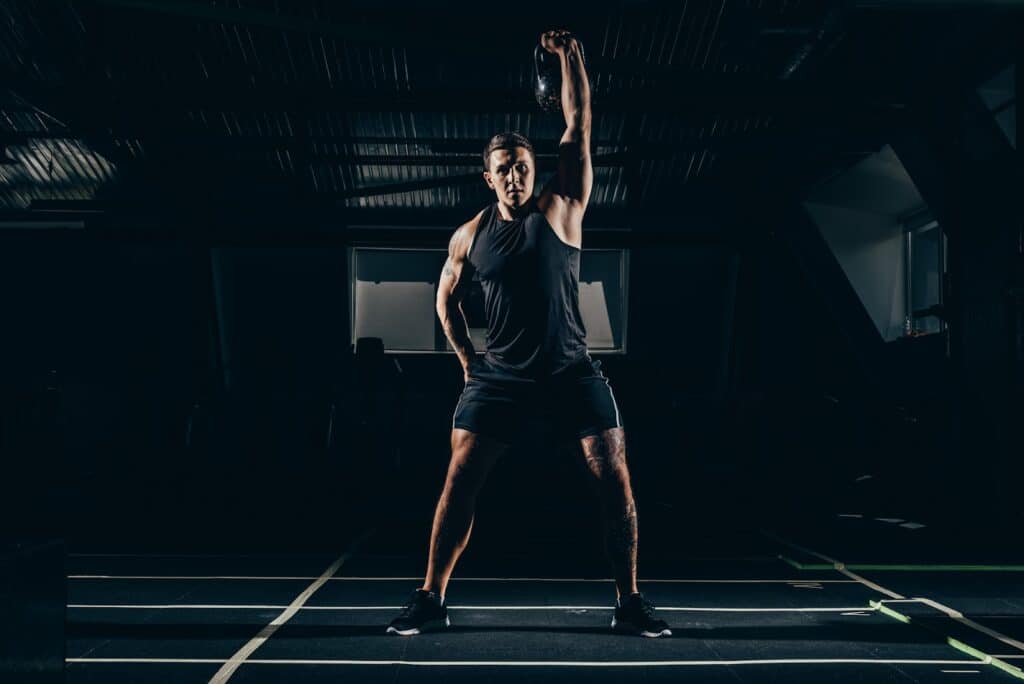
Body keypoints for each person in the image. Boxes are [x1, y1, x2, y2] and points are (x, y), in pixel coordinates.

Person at [386, 29, 670, 638]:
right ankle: (430, 599)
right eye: (502, 171)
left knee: (613, 469)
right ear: (487, 178)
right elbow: (445, 299)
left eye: (521, 167)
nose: (513, 177)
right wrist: (467, 360)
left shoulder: (562, 205)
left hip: (570, 369)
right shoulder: (469, 235)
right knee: (459, 476)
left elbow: (580, 122)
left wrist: (571, 58)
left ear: (532, 169)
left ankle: (630, 602)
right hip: (502, 376)